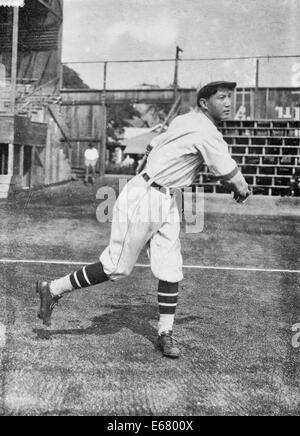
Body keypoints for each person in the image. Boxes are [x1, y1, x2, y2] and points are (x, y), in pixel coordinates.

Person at [36, 81, 250, 359]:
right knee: (117, 268)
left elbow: (153, 144)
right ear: (204, 103)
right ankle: (52, 288)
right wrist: (242, 189)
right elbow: (232, 175)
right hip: (145, 196)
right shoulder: (207, 132)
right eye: (221, 97)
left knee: (171, 268)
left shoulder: (186, 119)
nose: (228, 102)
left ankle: (166, 332)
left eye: (230, 97)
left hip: (166, 197)